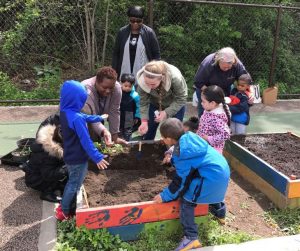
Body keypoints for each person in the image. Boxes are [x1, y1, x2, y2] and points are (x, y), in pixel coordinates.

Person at [154, 118, 230, 251]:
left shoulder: (183, 155)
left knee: (187, 200)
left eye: (163, 137)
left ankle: (190, 238)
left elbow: (180, 182)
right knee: (209, 190)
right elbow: (186, 153)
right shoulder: (190, 137)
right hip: (221, 172)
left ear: (169, 139)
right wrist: (172, 152)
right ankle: (220, 214)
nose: (162, 140)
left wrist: (164, 196)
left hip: (211, 180)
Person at [56, 80, 109, 221]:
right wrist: (97, 157)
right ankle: (64, 211)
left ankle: (66, 206)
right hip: (78, 159)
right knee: (74, 184)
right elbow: (86, 141)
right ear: (77, 99)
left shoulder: (65, 111)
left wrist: (98, 117)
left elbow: (83, 116)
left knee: (73, 181)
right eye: (82, 99)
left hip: (70, 155)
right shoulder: (77, 119)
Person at [137, 60, 188, 140]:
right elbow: (143, 102)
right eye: (147, 83)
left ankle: (173, 151)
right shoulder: (142, 80)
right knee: (149, 130)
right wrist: (144, 121)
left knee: (174, 132)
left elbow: (181, 98)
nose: (149, 86)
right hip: (154, 103)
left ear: (161, 78)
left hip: (175, 103)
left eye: (153, 84)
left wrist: (166, 112)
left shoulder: (175, 78)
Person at [24, 113, 68, 203]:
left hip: (42, 170)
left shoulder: (53, 140)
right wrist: (67, 168)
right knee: (61, 171)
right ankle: (46, 193)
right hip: (36, 180)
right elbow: (48, 174)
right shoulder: (49, 152)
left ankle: (56, 185)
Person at [194, 47, 249, 117]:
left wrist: (250, 93)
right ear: (218, 61)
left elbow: (246, 79)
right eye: (224, 67)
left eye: (229, 68)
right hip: (206, 88)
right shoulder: (208, 63)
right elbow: (198, 82)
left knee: (223, 111)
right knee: (205, 113)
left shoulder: (237, 64)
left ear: (233, 62)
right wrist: (212, 94)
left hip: (225, 88)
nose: (226, 69)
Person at [112, 5, 160, 79]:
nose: (135, 23)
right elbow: (116, 53)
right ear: (129, 19)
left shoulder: (149, 33)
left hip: (144, 71)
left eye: (138, 21)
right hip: (124, 71)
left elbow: (156, 54)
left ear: (142, 20)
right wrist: (114, 71)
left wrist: (155, 72)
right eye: (132, 20)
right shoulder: (122, 32)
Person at [81, 66, 127, 145]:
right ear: (97, 82)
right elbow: (92, 116)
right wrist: (104, 131)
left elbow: (114, 112)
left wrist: (115, 137)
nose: (108, 91)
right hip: (84, 119)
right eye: (104, 87)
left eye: (111, 88)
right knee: (90, 142)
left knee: (101, 140)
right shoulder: (86, 89)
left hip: (99, 116)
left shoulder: (116, 88)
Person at [197, 85, 231, 154]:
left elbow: (226, 134)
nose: (201, 103)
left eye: (203, 101)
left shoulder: (216, 117)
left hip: (213, 151)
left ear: (212, 103)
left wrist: (209, 138)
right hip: (205, 147)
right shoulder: (210, 109)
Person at [119, 73, 141, 141]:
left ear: (133, 85)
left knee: (128, 133)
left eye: (130, 86)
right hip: (119, 115)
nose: (127, 88)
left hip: (129, 116)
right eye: (125, 86)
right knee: (118, 131)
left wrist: (137, 116)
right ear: (121, 83)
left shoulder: (135, 95)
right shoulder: (118, 93)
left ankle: (128, 145)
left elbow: (138, 107)